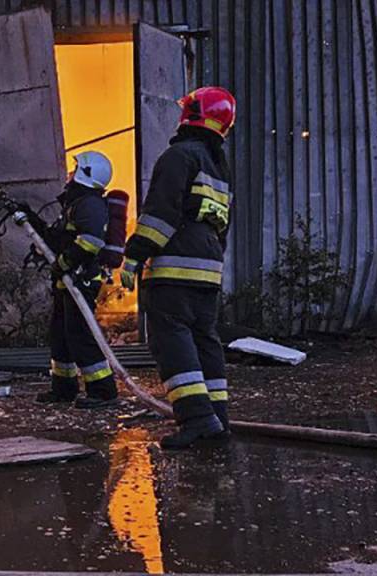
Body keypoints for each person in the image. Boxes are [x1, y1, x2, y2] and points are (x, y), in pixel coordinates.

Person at [120, 86, 236, 449]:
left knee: (172, 340)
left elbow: (161, 214)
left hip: (174, 269)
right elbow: (222, 226)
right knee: (205, 341)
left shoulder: (179, 156)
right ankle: (217, 417)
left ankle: (198, 420)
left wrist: (135, 255)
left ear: (194, 114)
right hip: (207, 270)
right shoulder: (218, 166)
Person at [37, 150, 118, 409]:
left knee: (80, 334)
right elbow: (57, 238)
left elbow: (91, 242)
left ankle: (103, 391)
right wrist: (28, 217)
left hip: (81, 280)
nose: (70, 174)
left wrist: (63, 263)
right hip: (68, 280)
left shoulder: (89, 204)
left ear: (85, 174)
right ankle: (63, 388)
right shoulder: (75, 203)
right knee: (61, 335)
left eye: (75, 170)